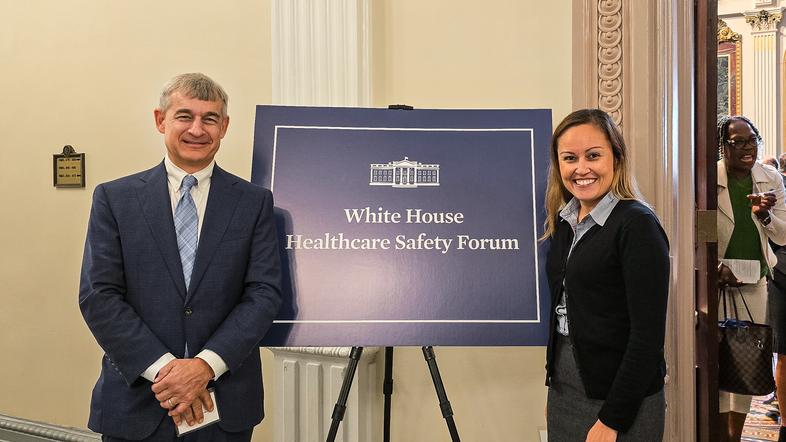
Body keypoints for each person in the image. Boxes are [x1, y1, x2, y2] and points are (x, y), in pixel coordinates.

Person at [79, 73, 282, 441]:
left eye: (210, 118)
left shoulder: (254, 203)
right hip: (138, 402)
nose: (197, 129)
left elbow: (264, 294)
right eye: (184, 116)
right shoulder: (114, 199)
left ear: (224, 127)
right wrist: (168, 372)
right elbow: (99, 295)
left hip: (224, 405)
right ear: (161, 120)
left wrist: (204, 367)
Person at [543, 108, 670, 441]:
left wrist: (612, 419)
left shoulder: (637, 225)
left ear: (616, 157)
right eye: (569, 158)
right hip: (566, 390)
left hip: (622, 401)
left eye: (593, 156)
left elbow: (647, 338)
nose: (581, 168)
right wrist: (554, 388)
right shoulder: (563, 224)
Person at [717, 115, 786, 442]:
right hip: (716, 282)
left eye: (752, 140)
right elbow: (694, 229)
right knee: (716, 360)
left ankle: (735, 435)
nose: (748, 148)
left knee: (747, 363)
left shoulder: (770, 178)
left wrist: (765, 215)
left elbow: (783, 236)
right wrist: (714, 269)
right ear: (724, 146)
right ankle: (716, 433)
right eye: (738, 142)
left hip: (755, 280)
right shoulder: (707, 177)